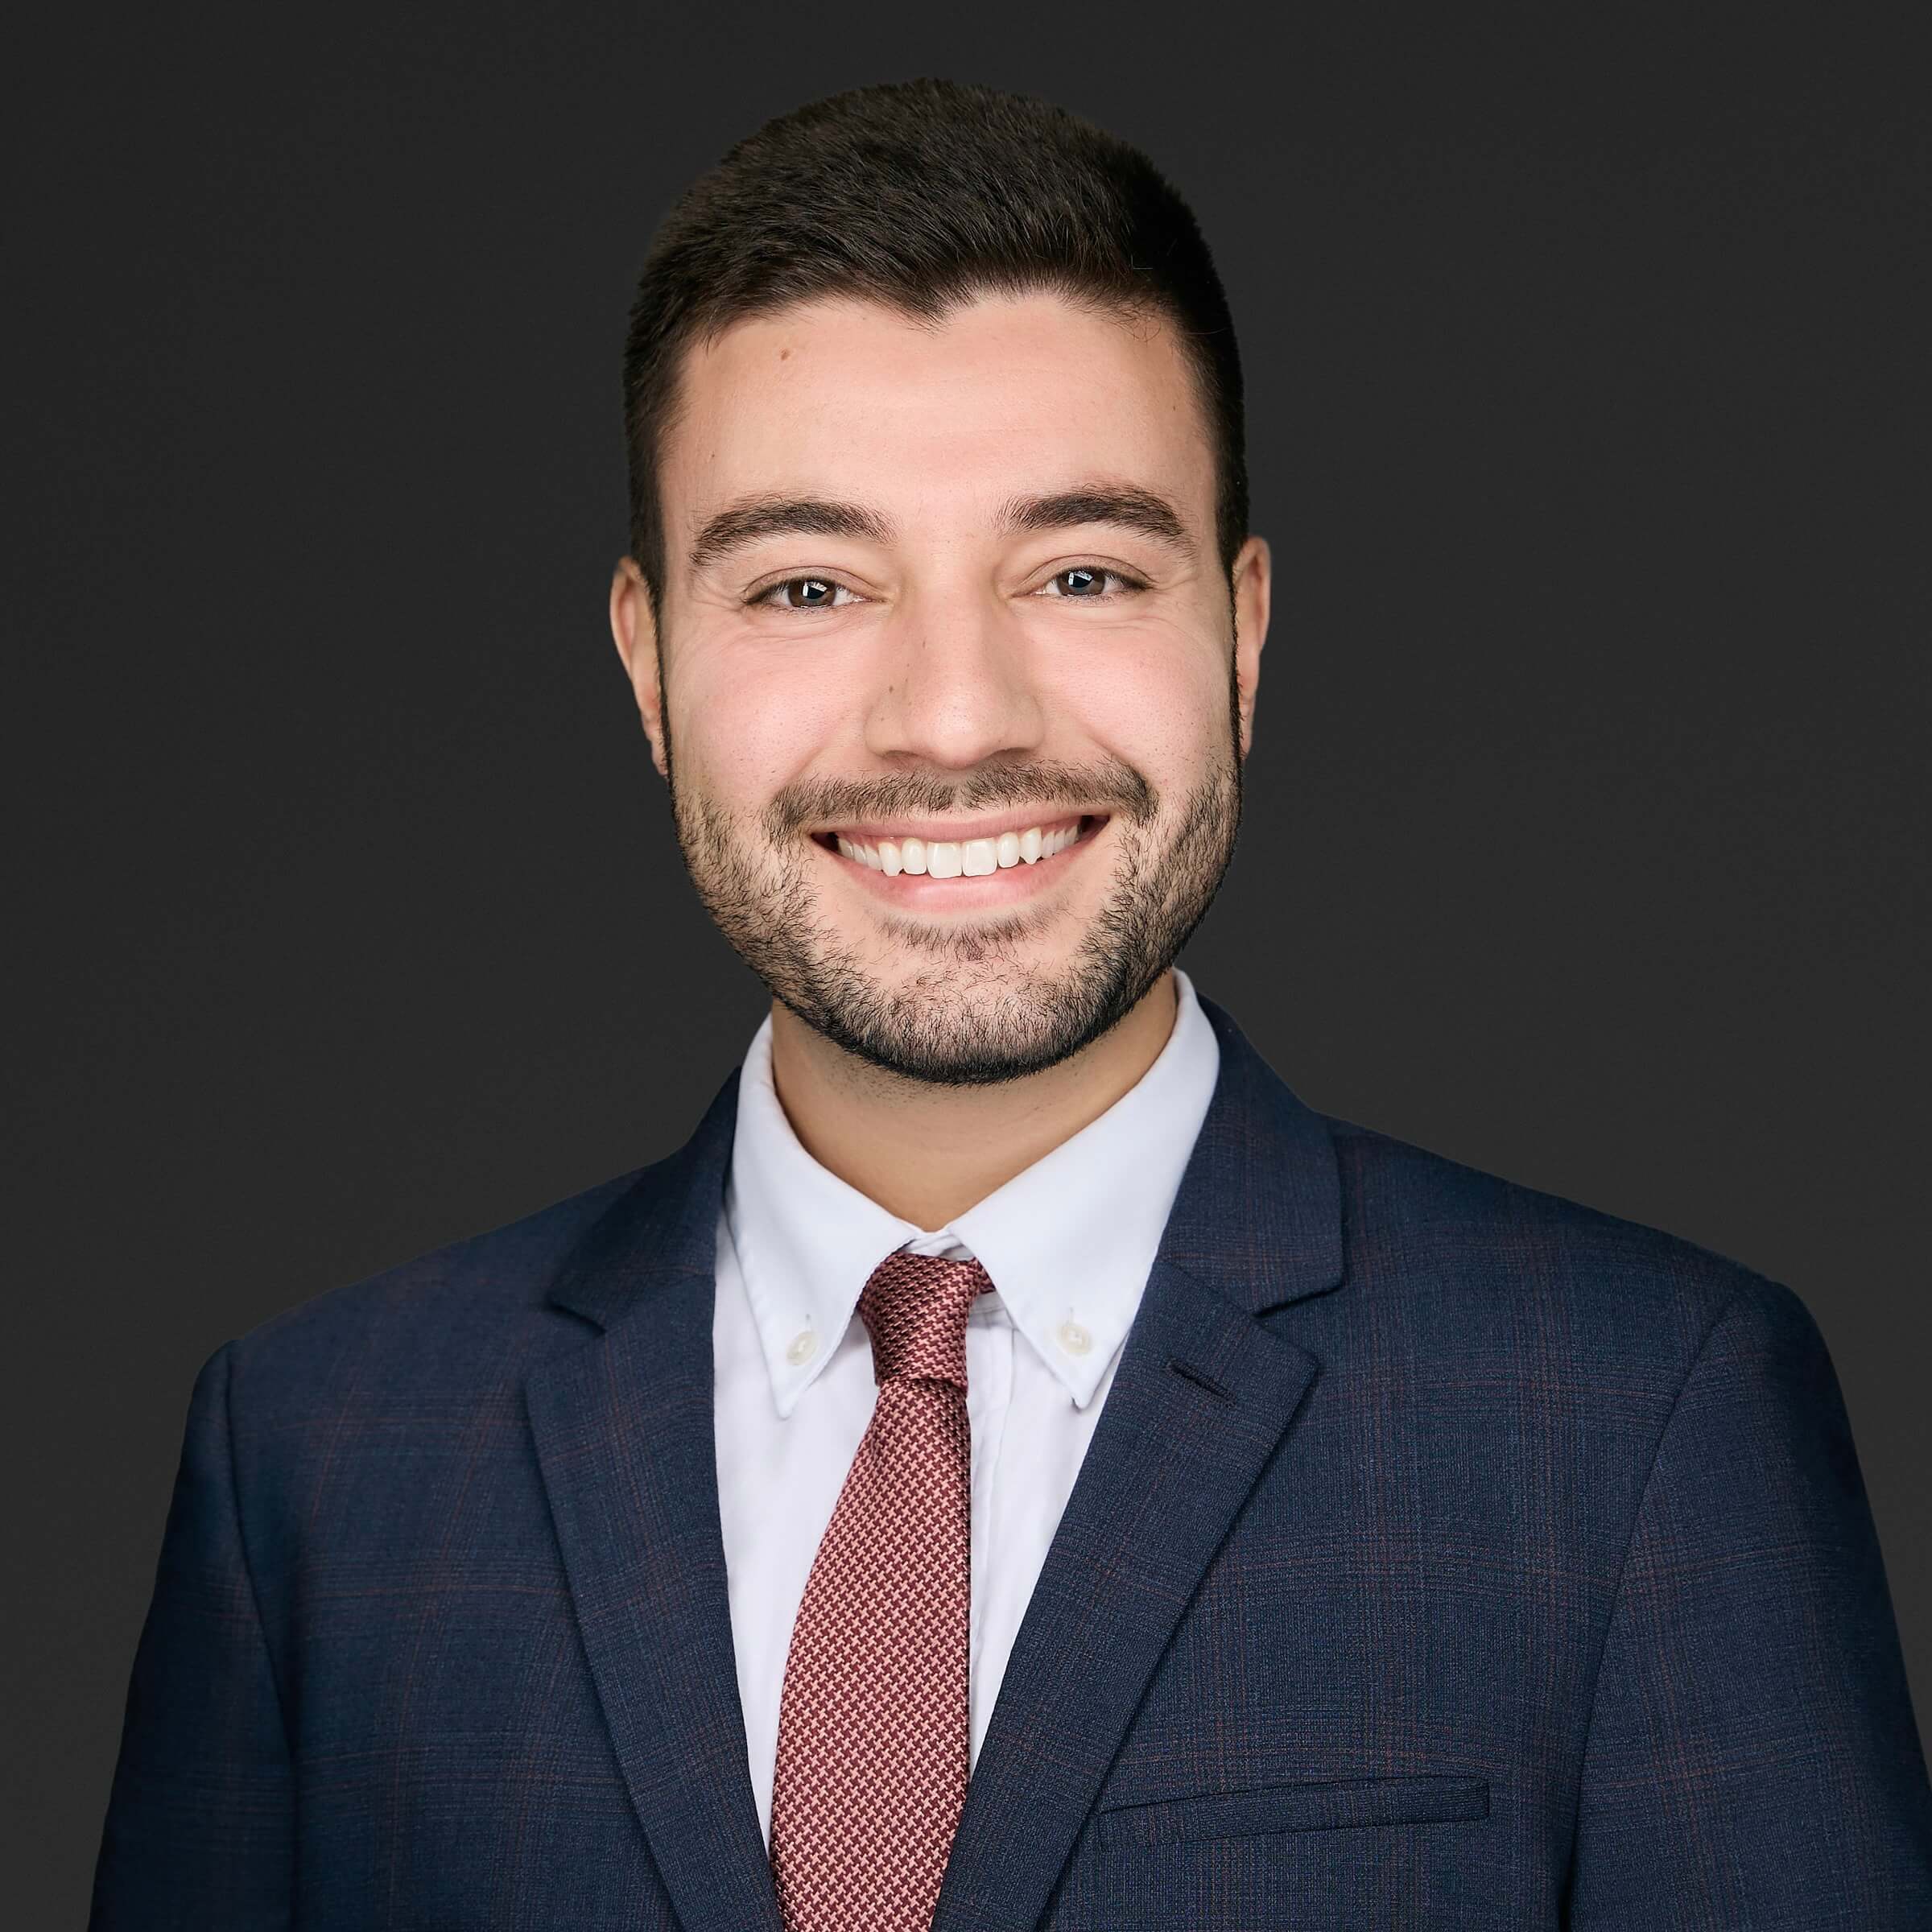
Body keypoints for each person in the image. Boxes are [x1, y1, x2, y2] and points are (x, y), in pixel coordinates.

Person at [89, 77, 1931, 1930]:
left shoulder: (1636, 1422)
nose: (954, 716)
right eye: (810, 583)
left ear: (1243, 631)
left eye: (1081, 572)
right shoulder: (317, 1464)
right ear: (650, 666)